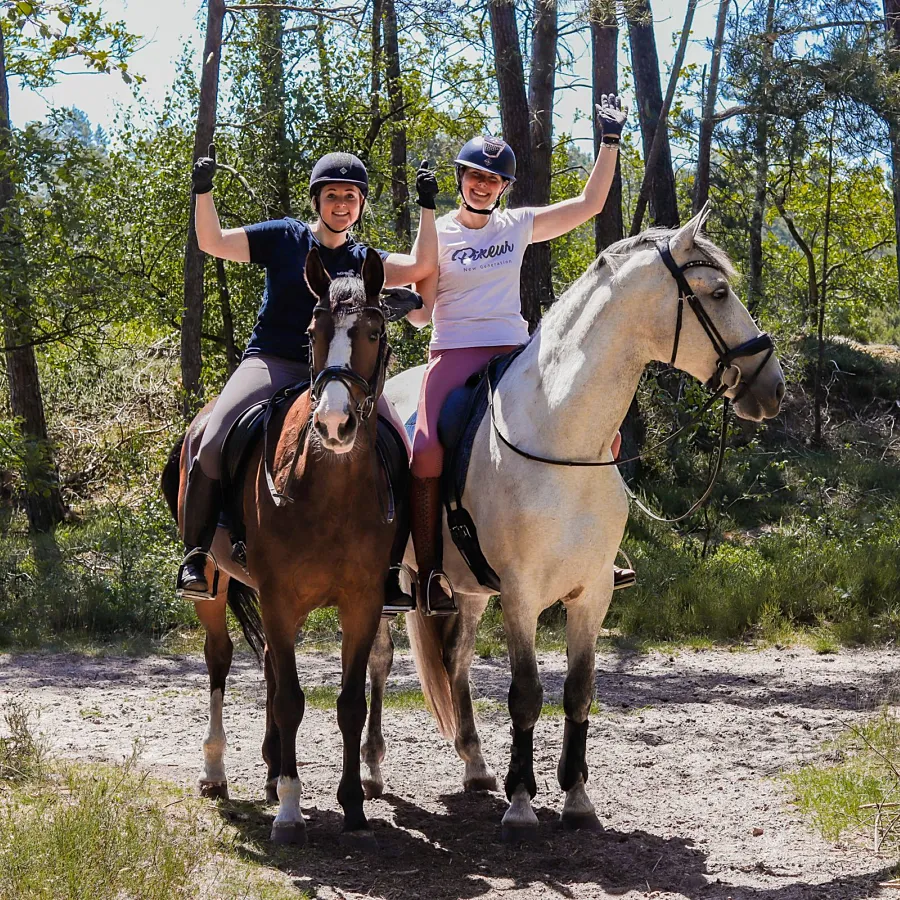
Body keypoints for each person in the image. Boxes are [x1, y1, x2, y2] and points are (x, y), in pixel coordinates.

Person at [177, 148, 439, 610]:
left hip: (343, 377)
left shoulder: (365, 258)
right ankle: (197, 555)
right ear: (317, 200)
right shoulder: (284, 237)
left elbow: (420, 265)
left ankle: (392, 570)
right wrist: (204, 191)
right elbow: (213, 241)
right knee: (213, 436)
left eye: (352, 196)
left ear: (361, 205)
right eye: (333, 195)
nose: (342, 204)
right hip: (275, 363)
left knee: (400, 445)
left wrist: (427, 206)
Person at [407, 95, 635, 616]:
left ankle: (602, 553)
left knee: (603, 431)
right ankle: (428, 573)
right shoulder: (437, 234)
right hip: (455, 353)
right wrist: (406, 307)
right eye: (474, 176)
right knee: (424, 452)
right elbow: (422, 311)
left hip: (516, 351)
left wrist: (610, 140)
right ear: (461, 179)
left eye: (493, 180)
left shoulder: (516, 226)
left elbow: (589, 205)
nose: (483, 185)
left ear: (503, 188)